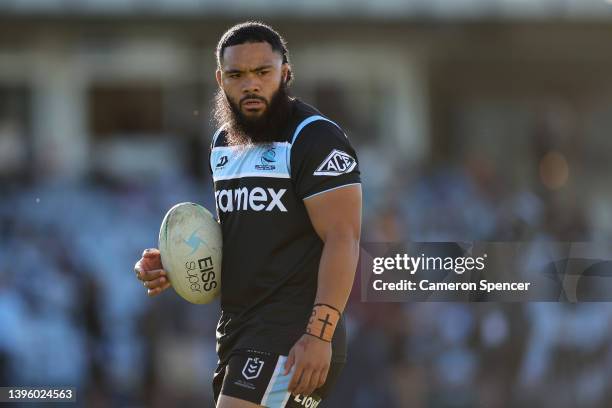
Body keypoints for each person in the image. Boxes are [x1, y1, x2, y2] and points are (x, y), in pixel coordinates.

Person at [134, 21, 362, 408]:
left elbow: (343, 238)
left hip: (294, 335)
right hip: (239, 334)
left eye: (263, 72)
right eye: (237, 74)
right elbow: (246, 237)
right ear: (220, 79)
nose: (250, 84)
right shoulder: (223, 144)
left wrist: (319, 335)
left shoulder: (315, 138)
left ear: (285, 74)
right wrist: (175, 264)